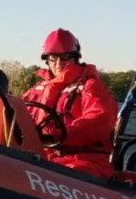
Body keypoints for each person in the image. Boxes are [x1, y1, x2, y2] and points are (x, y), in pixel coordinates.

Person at [22, 28, 120, 178]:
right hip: (41, 158)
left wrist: (59, 135)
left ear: (75, 58)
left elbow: (100, 119)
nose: (59, 63)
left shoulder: (90, 86)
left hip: (83, 162)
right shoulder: (37, 90)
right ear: (47, 60)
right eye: (53, 57)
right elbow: (17, 114)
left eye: (65, 57)